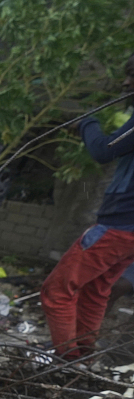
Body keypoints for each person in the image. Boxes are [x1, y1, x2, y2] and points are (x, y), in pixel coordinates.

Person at [40, 54, 134, 361]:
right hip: (129, 235)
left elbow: (103, 150)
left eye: (131, 76)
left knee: (56, 291)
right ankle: (84, 358)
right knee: (96, 290)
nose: (125, 83)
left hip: (120, 225)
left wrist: (87, 122)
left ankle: (66, 363)